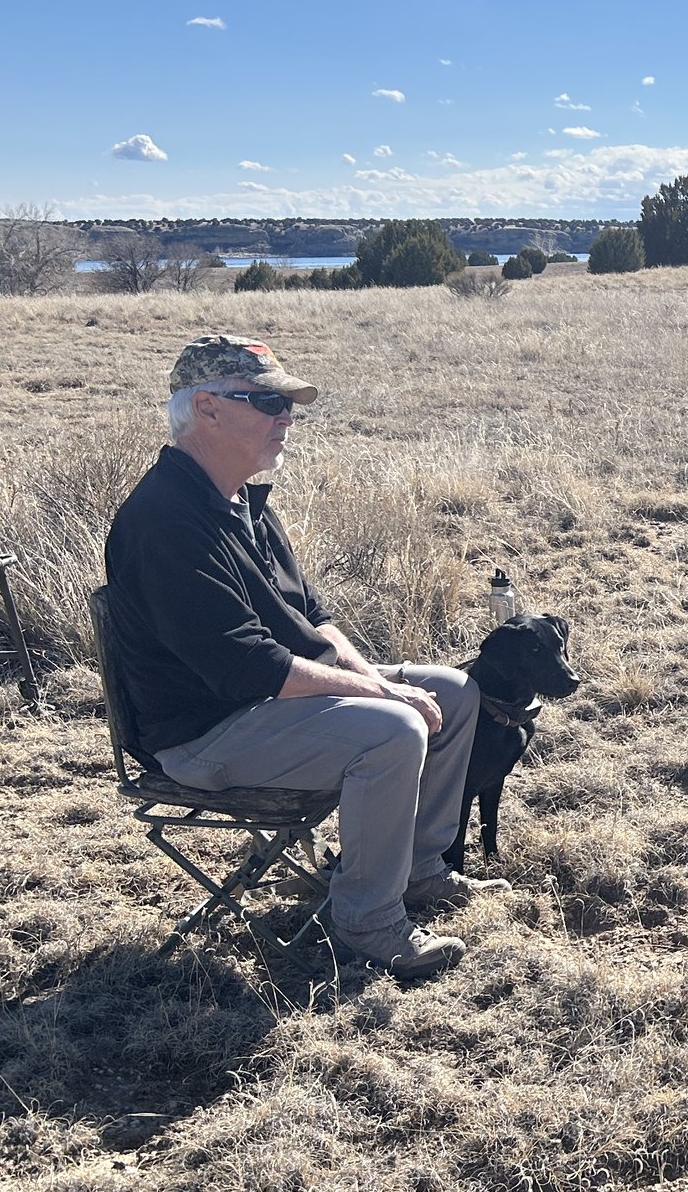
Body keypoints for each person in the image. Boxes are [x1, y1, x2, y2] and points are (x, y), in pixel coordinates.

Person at [104, 336, 498, 977]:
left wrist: (373, 679)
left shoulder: (246, 504)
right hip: (205, 735)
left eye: (288, 403)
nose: (286, 417)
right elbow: (245, 666)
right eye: (266, 401)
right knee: (393, 730)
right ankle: (367, 922)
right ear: (206, 408)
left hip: (268, 707)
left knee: (452, 692)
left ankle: (423, 870)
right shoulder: (165, 520)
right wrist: (383, 698)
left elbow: (314, 622)